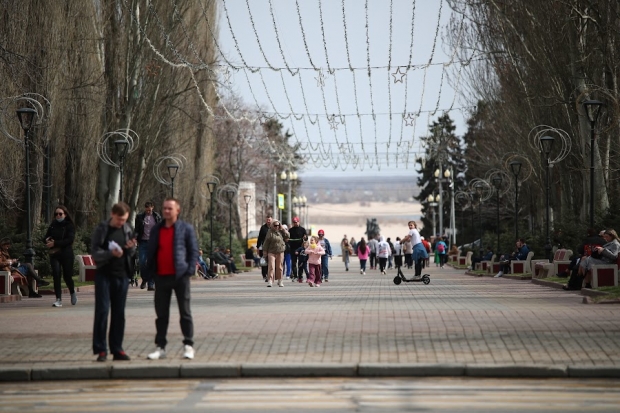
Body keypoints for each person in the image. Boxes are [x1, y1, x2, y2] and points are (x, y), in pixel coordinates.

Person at [145, 198, 199, 360]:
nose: (166, 211)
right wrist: (151, 272)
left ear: (177, 211)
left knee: (185, 312)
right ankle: (160, 347)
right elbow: (151, 250)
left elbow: (193, 251)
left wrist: (189, 271)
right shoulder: (157, 229)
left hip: (180, 276)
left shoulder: (185, 229)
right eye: (165, 208)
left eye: (170, 208)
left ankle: (188, 346)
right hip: (161, 277)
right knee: (161, 314)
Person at [91, 202, 137, 362]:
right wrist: (111, 253)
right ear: (112, 214)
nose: (121, 223)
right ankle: (101, 349)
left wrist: (131, 248)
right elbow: (95, 252)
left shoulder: (127, 228)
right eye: (119, 219)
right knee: (102, 311)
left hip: (122, 275)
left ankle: (117, 349)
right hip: (104, 275)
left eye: (124, 219)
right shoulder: (102, 229)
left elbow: (130, 252)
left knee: (119, 313)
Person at [44, 205, 76, 307]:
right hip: (55, 254)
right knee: (56, 274)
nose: (58, 216)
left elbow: (69, 240)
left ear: (65, 214)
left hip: (66, 254)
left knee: (67, 276)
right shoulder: (53, 224)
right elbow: (46, 236)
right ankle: (58, 299)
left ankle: (72, 292)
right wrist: (47, 240)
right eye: (56, 214)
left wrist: (55, 243)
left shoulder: (69, 225)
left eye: (60, 214)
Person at [135, 201, 162, 291]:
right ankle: (145, 279)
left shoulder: (157, 217)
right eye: (146, 209)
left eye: (149, 209)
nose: (148, 211)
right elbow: (137, 229)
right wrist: (134, 238)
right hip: (143, 242)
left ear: (152, 207)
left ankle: (151, 284)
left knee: (152, 263)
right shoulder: (140, 217)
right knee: (142, 262)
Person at [262, 219, 289, 287]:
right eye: (275, 225)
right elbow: (266, 242)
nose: (277, 226)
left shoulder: (281, 231)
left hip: (280, 251)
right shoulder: (270, 232)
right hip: (271, 252)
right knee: (271, 266)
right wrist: (265, 252)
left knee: (280, 266)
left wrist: (283, 229)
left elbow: (288, 236)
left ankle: (280, 280)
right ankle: (270, 281)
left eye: (278, 225)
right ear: (272, 225)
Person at [288, 217, 307, 281]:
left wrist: (305, 237)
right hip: (293, 248)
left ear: (298, 222)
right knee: (293, 263)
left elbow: (306, 239)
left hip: (300, 248)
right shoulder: (290, 230)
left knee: (300, 262)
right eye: (294, 222)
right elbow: (288, 239)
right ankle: (295, 276)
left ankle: (300, 276)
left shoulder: (302, 229)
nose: (295, 223)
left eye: (296, 222)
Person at [256, 215, 273, 282]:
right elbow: (259, 238)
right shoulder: (263, 228)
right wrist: (258, 247)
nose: (268, 221)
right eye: (267, 220)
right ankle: (264, 275)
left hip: (272, 247)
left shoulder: (273, 227)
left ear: (271, 220)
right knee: (264, 262)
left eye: (269, 220)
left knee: (271, 261)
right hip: (264, 247)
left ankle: (270, 275)